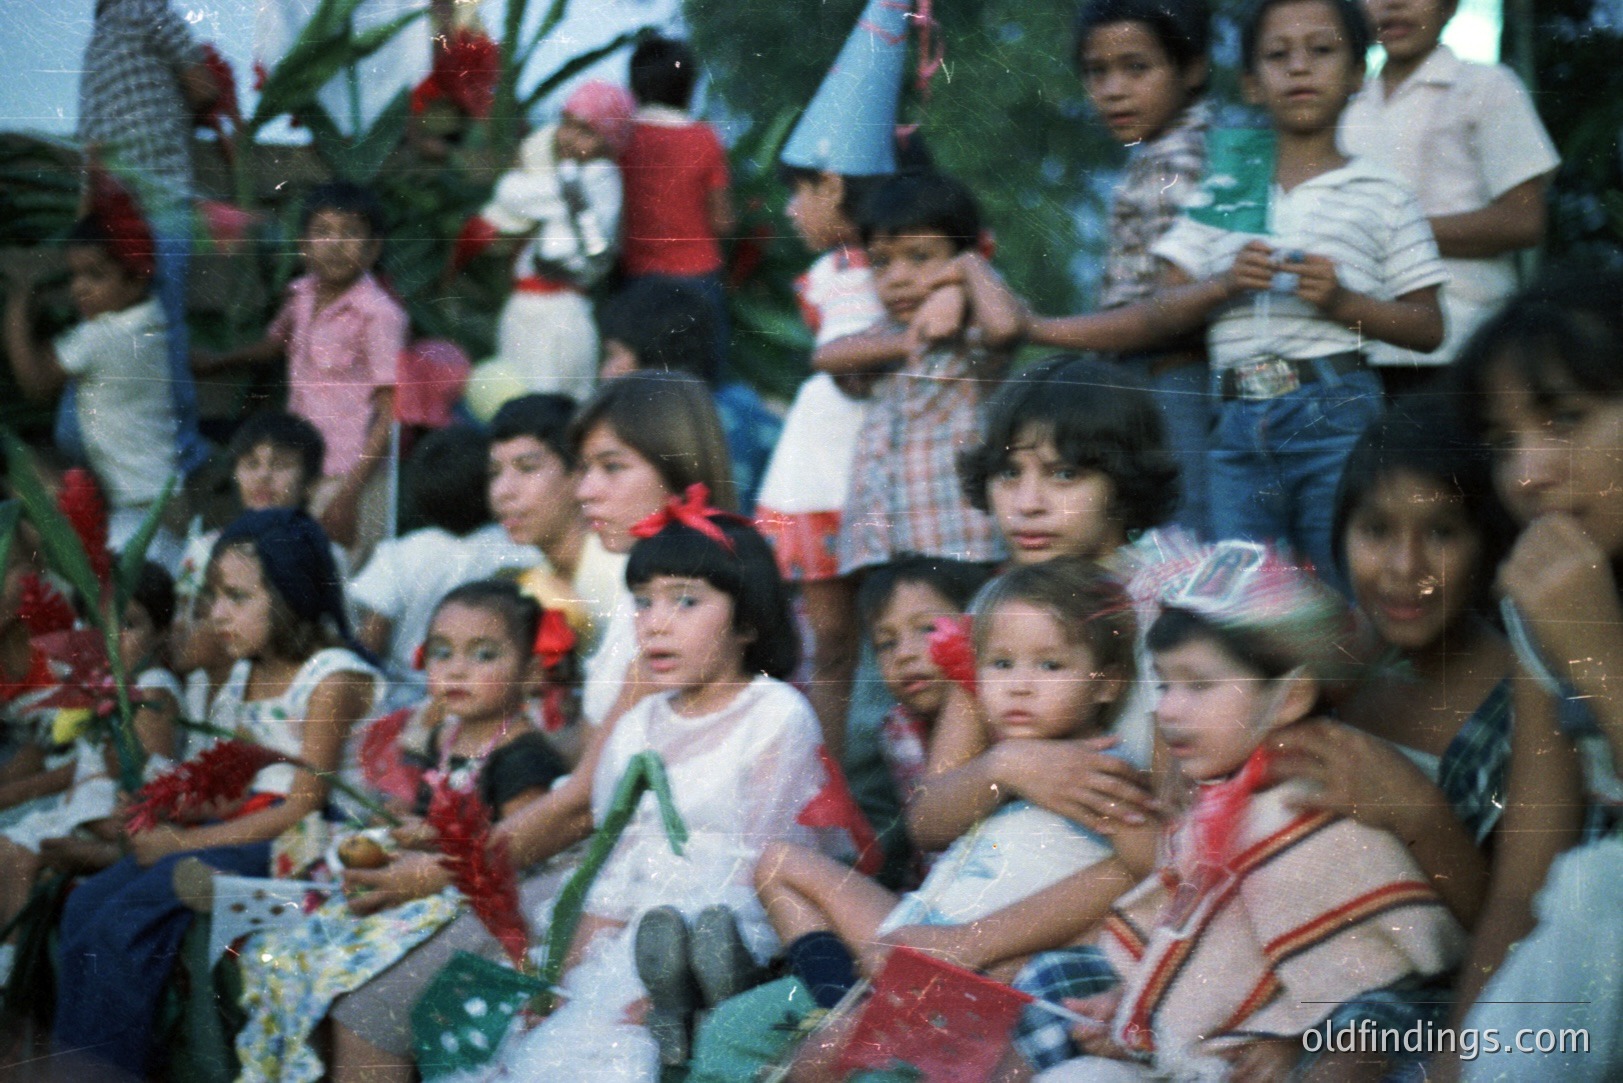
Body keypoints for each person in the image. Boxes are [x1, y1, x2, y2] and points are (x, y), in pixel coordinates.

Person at [325, 371, 740, 1083]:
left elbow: (585, 799)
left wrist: (437, 867)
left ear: (678, 472)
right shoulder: (640, 588)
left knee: (371, 1014)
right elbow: (591, 758)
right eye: (582, 470)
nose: (585, 492)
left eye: (610, 469)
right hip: (600, 859)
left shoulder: (669, 606)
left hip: (638, 878)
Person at [1027, 542, 1465, 1081]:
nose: (1167, 709)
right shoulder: (1221, 801)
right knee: (1050, 986)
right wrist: (1136, 999)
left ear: (1289, 699)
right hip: (1213, 1040)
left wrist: (1298, 1042)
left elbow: (1378, 979)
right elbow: (1197, 944)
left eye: (1199, 686)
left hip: (1300, 1047)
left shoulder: (1312, 812)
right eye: (1163, 685)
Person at [463, 501, 849, 1081]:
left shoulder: (775, 715)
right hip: (647, 938)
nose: (656, 623)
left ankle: (702, 991)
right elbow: (617, 868)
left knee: (651, 1025)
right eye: (643, 601)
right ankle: (668, 996)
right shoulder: (640, 724)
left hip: (741, 926)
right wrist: (563, 981)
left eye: (685, 601)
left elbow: (770, 863)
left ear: (747, 622)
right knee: (568, 1042)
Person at [743, 561, 1140, 1080]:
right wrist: (1003, 767)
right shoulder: (994, 758)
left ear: (1106, 684)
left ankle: (859, 1014)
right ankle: (842, 998)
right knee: (777, 863)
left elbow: (1146, 869)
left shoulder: (1102, 771)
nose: (1018, 687)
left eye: (1048, 667)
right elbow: (926, 825)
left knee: (822, 1057)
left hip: (976, 965)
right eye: (1000, 666)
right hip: (911, 933)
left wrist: (980, 948)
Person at [52, 509, 379, 1077]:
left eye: (236, 597)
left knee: (129, 917)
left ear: (290, 594)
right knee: (85, 903)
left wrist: (180, 842)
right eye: (212, 598)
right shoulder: (249, 673)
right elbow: (243, 787)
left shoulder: (331, 678)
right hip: (255, 826)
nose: (217, 615)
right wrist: (170, 807)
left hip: (307, 843)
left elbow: (301, 803)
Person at [1144, 0, 1446, 585]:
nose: (1300, 68)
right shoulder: (1231, 183)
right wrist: (1224, 283)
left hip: (1334, 409)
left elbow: (1429, 326)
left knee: (1347, 583)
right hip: (1233, 420)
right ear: (1253, 85)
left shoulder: (1382, 191)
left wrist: (1343, 303)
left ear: (1358, 75)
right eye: (1278, 56)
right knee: (1246, 601)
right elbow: (1163, 306)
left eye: (1323, 51)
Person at [235, 579, 569, 1083]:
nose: (457, 669)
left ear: (528, 673)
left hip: (480, 895)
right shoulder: (446, 734)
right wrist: (404, 826)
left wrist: (432, 840)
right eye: (442, 652)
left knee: (356, 990)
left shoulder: (522, 754)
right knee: (297, 957)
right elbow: (423, 808)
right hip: (432, 881)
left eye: (483, 655)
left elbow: (517, 844)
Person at [1446, 267, 1623, 1080]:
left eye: (1563, 418)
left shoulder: (1569, 605)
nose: (1526, 473)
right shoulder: (1543, 599)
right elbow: (1528, 868)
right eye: (1503, 439)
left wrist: (1597, 656)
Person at [755, 0, 910, 752]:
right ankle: (827, 773)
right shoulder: (835, 272)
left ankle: (849, 769)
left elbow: (851, 359)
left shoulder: (878, 270)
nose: (791, 209)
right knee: (833, 640)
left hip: (856, 458)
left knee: (850, 640)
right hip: (822, 462)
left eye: (801, 189)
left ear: (836, 185)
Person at [1025, 0, 1216, 537]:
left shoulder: (1181, 160)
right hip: (1144, 374)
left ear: (1193, 67)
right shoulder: (1154, 156)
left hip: (1170, 374)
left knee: (1179, 530)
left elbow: (1169, 310)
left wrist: (1038, 328)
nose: (1112, 90)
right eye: (1097, 72)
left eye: (1136, 68)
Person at [1340, 0, 1560, 390]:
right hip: (1358, 349)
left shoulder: (1486, 86)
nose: (1393, 5)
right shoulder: (1346, 104)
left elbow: (1524, 220)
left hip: (1463, 341)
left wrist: (1389, 232)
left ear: (1450, 6)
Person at [197, 182, 408, 559]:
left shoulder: (379, 315)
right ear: (304, 245)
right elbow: (274, 344)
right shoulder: (302, 295)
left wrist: (349, 496)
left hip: (349, 472)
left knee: (340, 574)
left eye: (351, 233)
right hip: (301, 467)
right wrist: (216, 363)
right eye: (323, 231)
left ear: (373, 248)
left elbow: (391, 413)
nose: (335, 244)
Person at [834, 170, 1024, 578]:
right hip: (883, 545)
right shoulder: (884, 334)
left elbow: (1007, 327)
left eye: (919, 257)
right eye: (881, 262)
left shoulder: (972, 322)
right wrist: (904, 345)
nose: (897, 277)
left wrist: (961, 281)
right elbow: (827, 357)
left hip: (961, 539)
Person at [0, 563, 181, 941]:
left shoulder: (151, 692)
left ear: (161, 633)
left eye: (129, 625)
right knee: (8, 847)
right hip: (87, 810)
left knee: (21, 856)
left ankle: (14, 968)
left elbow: (154, 774)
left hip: (120, 821)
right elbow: (86, 763)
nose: (110, 638)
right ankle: (12, 962)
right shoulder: (109, 685)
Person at [77, 0, 218, 478]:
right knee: (163, 332)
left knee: (114, 333)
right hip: (159, 204)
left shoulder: (96, 48)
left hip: (110, 219)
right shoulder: (149, 8)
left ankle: (102, 446)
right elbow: (203, 87)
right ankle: (184, 451)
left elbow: (90, 153)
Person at [3, 199, 183, 564]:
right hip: (164, 497)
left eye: (95, 276)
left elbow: (36, 384)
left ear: (136, 277)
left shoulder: (104, 337)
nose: (79, 289)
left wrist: (16, 312)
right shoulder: (149, 316)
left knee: (17, 473)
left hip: (139, 511)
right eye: (74, 275)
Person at [471, 80, 637, 400]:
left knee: (546, 405)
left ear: (609, 142)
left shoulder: (598, 175)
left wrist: (525, 171)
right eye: (566, 125)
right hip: (533, 304)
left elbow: (510, 193)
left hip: (558, 311)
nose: (569, 139)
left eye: (586, 132)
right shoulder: (572, 172)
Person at [351, 426, 539, 697]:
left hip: (408, 691)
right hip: (488, 691)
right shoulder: (521, 550)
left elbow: (371, 638)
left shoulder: (400, 553)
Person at [596, 279, 781, 514]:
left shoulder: (671, 428)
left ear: (653, 355)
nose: (605, 373)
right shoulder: (745, 407)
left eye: (613, 355)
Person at [618, 35, 735, 372]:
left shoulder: (624, 139)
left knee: (642, 383)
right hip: (699, 278)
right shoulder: (705, 138)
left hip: (639, 279)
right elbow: (723, 221)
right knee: (702, 381)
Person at [856, 556, 995, 812]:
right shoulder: (899, 727)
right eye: (886, 644)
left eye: (927, 629)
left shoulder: (1008, 707)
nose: (904, 654)